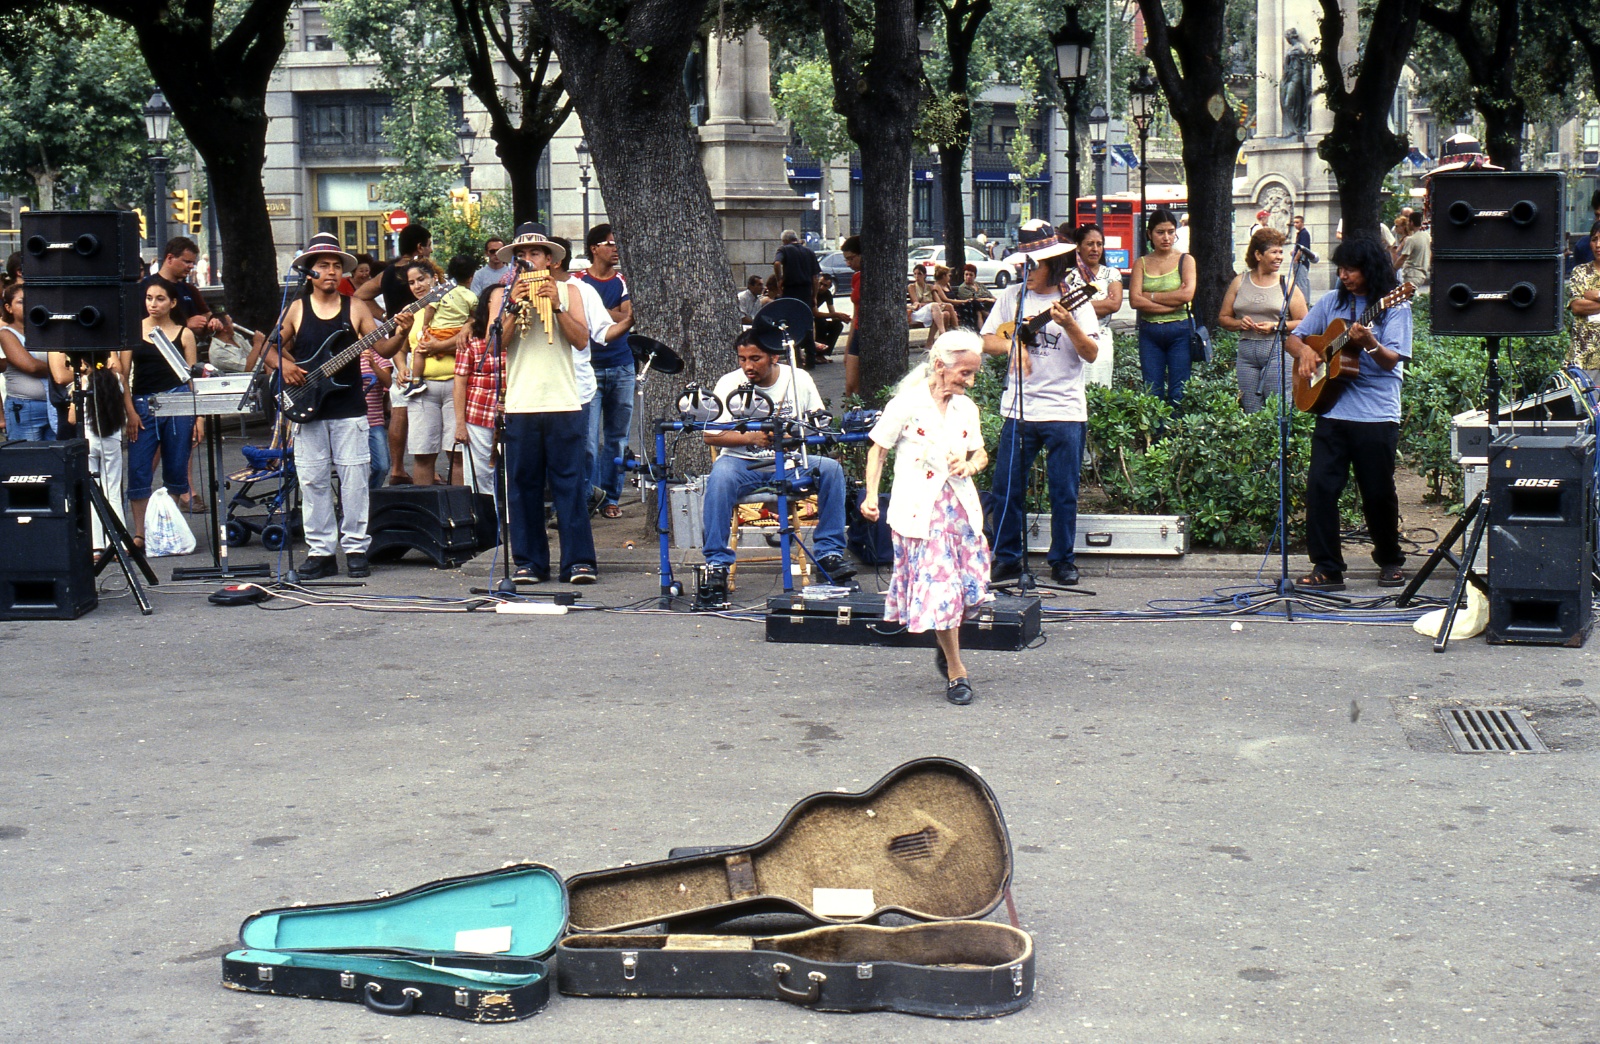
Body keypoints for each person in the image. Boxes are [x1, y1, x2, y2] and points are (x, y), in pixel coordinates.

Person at [266, 233, 413, 580]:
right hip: (308, 408)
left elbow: (384, 349)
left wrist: (402, 332)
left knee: (355, 480)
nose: (331, 271)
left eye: (336, 266)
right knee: (313, 480)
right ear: (310, 272)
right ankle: (321, 552)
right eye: (323, 265)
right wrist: (284, 366)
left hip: (350, 408)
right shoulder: (297, 308)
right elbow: (267, 349)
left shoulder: (356, 307)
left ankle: (356, 549)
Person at [859, 330, 990, 706]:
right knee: (943, 590)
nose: (970, 381)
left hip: (961, 512)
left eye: (973, 374)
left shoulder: (966, 409)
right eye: (965, 373)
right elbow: (878, 451)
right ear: (939, 366)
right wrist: (871, 496)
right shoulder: (907, 404)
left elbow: (980, 454)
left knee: (967, 592)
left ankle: (945, 641)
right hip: (920, 514)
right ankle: (957, 670)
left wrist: (969, 465)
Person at [1286, 235, 1413, 591]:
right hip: (1332, 408)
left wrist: (1370, 342)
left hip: (1376, 413)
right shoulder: (1332, 301)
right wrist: (1305, 353)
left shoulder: (1394, 305)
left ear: (1370, 269)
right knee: (1321, 489)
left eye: (1351, 270)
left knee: (1377, 492)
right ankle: (1327, 568)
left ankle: (1389, 559)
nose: (1344, 276)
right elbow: (1294, 337)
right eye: (1340, 269)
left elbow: (1391, 361)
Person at [980, 219, 1099, 586]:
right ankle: (1008, 558)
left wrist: (1070, 325)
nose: (1027, 271)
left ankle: (1062, 560)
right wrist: (1012, 346)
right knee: (1007, 489)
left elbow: (1091, 353)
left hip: (1064, 410)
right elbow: (986, 339)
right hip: (1019, 407)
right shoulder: (1012, 297)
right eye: (1024, 263)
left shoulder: (1076, 299)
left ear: (1053, 263)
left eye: (1035, 264)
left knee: (1063, 492)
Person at [485, 223, 597, 585]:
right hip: (521, 403)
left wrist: (557, 306)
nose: (528, 260)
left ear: (550, 260)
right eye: (521, 255)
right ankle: (529, 562)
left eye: (535, 253)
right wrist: (513, 306)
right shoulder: (501, 295)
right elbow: (495, 346)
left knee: (570, 485)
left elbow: (581, 340)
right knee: (523, 487)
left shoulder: (570, 291)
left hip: (564, 400)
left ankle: (578, 561)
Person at [700, 331, 856, 586]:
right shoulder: (729, 382)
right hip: (741, 463)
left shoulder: (798, 378)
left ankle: (829, 554)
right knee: (719, 478)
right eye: (742, 359)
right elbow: (710, 435)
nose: (748, 366)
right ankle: (716, 563)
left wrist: (793, 436)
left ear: (774, 356)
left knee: (831, 470)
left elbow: (818, 424)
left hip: (789, 461)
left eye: (755, 358)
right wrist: (752, 438)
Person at [127, 278, 202, 547]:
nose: (153, 304)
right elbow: (123, 375)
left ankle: (167, 531)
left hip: (178, 401)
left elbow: (193, 381)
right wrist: (130, 412)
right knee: (138, 468)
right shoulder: (134, 330)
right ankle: (140, 533)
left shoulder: (184, 334)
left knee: (176, 467)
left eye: (160, 299)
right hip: (143, 402)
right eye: (149, 298)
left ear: (172, 303)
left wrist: (199, 417)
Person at [356, 223, 432, 485]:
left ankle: (397, 468)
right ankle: (428, 468)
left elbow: (360, 295)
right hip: (420, 341)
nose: (430, 250)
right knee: (426, 404)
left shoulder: (387, 273)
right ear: (420, 247)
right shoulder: (423, 272)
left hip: (394, 341)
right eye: (429, 245)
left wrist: (386, 316)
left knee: (398, 405)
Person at [401, 255, 477, 485]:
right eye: (412, 282)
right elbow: (399, 347)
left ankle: (460, 505)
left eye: (421, 279)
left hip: (457, 384)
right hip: (422, 388)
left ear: (434, 278)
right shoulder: (409, 311)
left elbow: (472, 340)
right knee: (423, 453)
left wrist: (440, 345)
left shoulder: (459, 302)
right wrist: (401, 367)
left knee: (458, 453)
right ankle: (424, 507)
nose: (417, 286)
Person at [579, 223, 636, 519]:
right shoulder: (579, 281)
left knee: (617, 439)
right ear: (594, 248)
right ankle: (588, 496)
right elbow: (619, 317)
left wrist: (597, 310)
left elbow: (629, 317)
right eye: (610, 243)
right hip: (589, 367)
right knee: (588, 441)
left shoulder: (622, 280)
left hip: (622, 364)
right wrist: (612, 313)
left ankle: (611, 497)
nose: (615, 249)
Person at [1218, 227, 1308, 413]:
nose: (1279, 257)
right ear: (1258, 255)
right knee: (1251, 408)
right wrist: (1239, 323)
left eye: (1281, 252)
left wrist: (1275, 326)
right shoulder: (1240, 281)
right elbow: (1224, 318)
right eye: (1274, 252)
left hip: (1277, 351)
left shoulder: (1286, 283)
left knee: (1277, 408)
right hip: (1246, 352)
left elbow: (1304, 321)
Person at [49, 350, 128, 549]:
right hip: (112, 438)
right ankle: (118, 542)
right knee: (113, 491)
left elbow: (71, 419)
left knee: (93, 491)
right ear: (107, 359)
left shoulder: (82, 383)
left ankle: (96, 544)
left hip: (90, 440)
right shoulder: (118, 379)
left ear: (83, 362)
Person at [1129, 208, 1197, 411]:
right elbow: (1134, 300)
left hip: (1180, 331)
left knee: (1179, 391)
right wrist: (1169, 304)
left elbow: (1186, 295)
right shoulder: (1141, 263)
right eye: (1160, 232)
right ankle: (1155, 430)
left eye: (1170, 232)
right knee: (1152, 390)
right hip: (1149, 332)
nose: (1166, 237)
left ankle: (1176, 430)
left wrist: (1149, 296)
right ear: (1149, 234)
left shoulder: (1186, 260)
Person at [453, 293, 502, 498]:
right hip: (479, 413)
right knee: (480, 475)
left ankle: (511, 517)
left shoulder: (517, 334)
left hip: (512, 413)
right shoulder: (471, 338)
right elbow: (459, 382)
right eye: (496, 300)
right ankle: (483, 516)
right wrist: (460, 424)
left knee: (513, 475)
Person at [141, 236, 229, 342]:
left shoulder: (189, 289)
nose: (191, 266)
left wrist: (213, 323)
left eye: (192, 263)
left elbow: (206, 317)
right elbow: (141, 324)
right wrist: (185, 324)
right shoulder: (145, 287)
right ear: (170, 258)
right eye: (187, 262)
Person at [1, 284, 53, 440]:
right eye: (21, 301)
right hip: (25, 407)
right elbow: (31, 367)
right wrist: (60, 371)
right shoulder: (6, 334)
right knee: (27, 454)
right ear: (8, 308)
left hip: (55, 404)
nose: (28, 304)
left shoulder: (47, 331)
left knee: (56, 453)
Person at [1074, 224, 1123, 387]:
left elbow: (1114, 304)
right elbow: (1066, 309)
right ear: (1078, 247)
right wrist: (1101, 304)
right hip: (1075, 339)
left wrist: (1078, 306)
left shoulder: (1111, 274)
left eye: (1099, 244)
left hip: (1102, 340)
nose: (1095, 249)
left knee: (1101, 389)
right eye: (1090, 244)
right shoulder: (1068, 277)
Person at [1564, 219, 1600, 384]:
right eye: (1594, 239)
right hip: (1585, 356)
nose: (1598, 245)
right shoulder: (1581, 272)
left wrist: (1595, 295)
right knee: (1586, 400)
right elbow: (1577, 307)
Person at [360, 344, 392, 489]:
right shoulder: (343, 354)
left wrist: (373, 364)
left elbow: (388, 382)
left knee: (382, 466)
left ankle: (371, 494)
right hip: (350, 421)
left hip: (374, 421)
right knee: (352, 466)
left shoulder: (379, 355)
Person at [840, 236, 864, 397]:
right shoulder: (856, 277)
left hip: (868, 332)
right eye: (846, 259)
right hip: (857, 331)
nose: (848, 264)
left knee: (856, 388)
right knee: (851, 387)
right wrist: (847, 347)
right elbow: (855, 313)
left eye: (851, 258)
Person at [908, 265, 954, 336]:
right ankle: (944, 332)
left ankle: (947, 334)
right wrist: (931, 304)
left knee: (946, 313)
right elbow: (916, 304)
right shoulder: (912, 287)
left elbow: (939, 302)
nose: (917, 276)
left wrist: (934, 298)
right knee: (935, 306)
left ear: (924, 275)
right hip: (919, 312)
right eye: (915, 274)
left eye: (919, 274)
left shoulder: (930, 286)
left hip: (932, 311)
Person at [948, 263, 995, 330]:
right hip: (974, 307)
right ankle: (990, 319)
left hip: (989, 305)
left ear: (975, 276)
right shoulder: (963, 288)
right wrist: (987, 299)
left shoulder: (979, 285)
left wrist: (996, 300)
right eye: (966, 274)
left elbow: (990, 295)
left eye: (971, 275)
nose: (968, 277)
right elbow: (972, 300)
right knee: (977, 306)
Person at [812, 273, 845, 357]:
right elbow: (815, 313)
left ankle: (825, 353)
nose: (821, 287)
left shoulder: (827, 294)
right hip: (809, 318)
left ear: (829, 287)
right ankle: (817, 354)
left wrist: (840, 318)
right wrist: (836, 314)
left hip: (816, 317)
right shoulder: (812, 292)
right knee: (821, 322)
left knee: (838, 325)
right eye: (820, 284)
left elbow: (832, 311)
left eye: (825, 286)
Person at [1397, 217, 1431, 290]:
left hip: (1411, 275)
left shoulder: (1411, 239)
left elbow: (1402, 258)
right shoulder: (1427, 236)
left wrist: (1393, 269)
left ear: (1412, 222)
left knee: (1407, 296)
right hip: (1421, 275)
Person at [1291, 215, 1316, 302]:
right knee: (1300, 282)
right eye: (1294, 222)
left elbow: (1302, 249)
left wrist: (1296, 259)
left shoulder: (1304, 234)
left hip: (1301, 262)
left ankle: (1304, 302)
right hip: (1300, 261)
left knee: (1301, 283)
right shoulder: (1300, 234)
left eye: (1297, 222)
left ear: (1302, 223)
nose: (1295, 224)